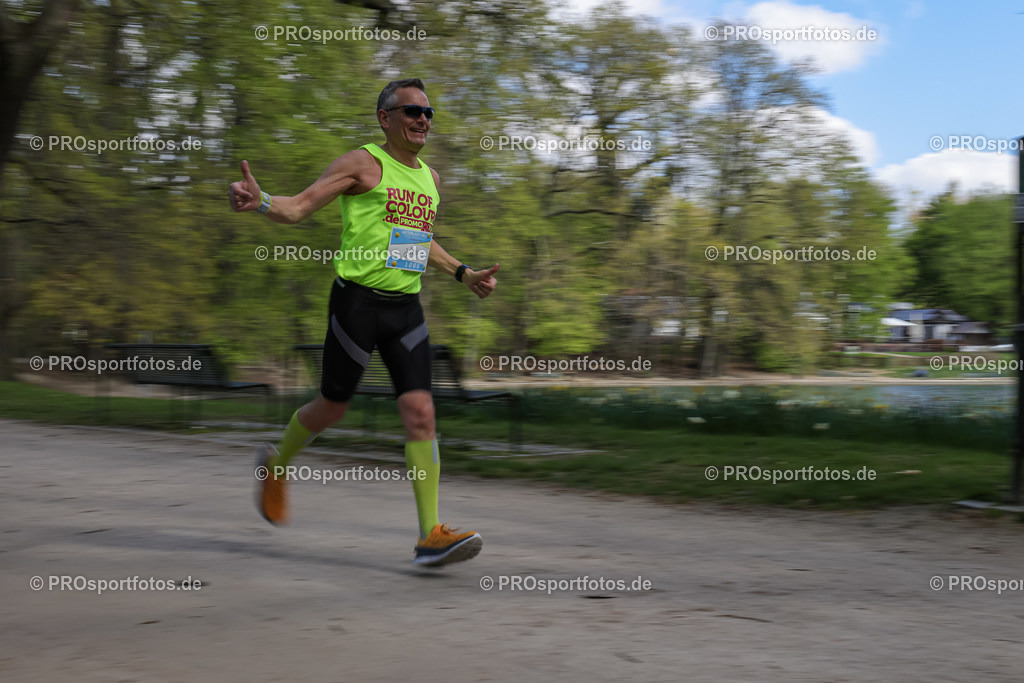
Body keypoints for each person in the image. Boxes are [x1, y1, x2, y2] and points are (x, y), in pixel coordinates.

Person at [227, 78, 499, 567]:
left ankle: (429, 535)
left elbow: (415, 240)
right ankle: (277, 464)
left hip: (406, 310)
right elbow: (299, 207)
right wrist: (262, 202)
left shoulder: (431, 180)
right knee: (332, 408)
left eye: (428, 112)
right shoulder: (362, 164)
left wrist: (462, 272)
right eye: (412, 111)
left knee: (421, 414)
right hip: (357, 305)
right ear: (385, 118)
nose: (423, 119)